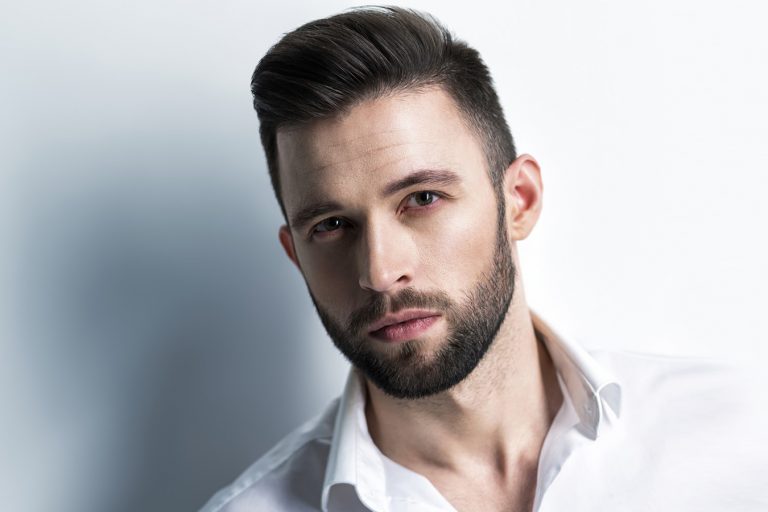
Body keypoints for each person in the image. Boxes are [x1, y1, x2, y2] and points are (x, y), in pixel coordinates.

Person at [201, 7, 766, 512]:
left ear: (518, 200)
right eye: (330, 226)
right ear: (295, 254)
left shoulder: (743, 437)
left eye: (422, 199)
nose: (379, 271)